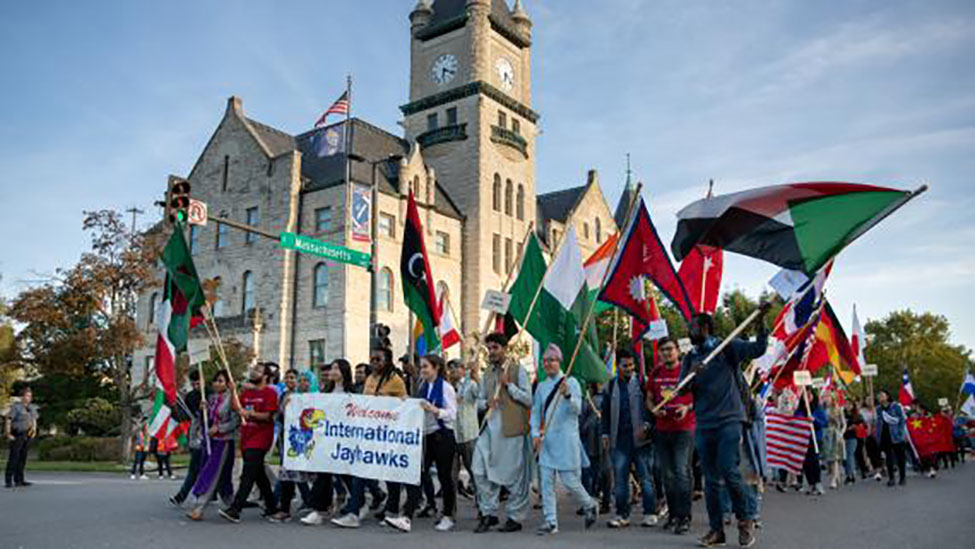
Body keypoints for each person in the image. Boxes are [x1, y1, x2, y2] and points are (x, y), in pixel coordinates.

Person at [680, 308, 767, 548]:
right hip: (704, 423)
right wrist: (690, 375)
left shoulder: (727, 346)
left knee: (729, 470)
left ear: (705, 328)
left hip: (730, 419)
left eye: (693, 326)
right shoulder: (690, 357)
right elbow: (680, 390)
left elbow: (758, 349)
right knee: (710, 480)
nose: (689, 330)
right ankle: (716, 531)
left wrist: (761, 326)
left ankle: (745, 520)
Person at [328, 347, 404, 528]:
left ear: (387, 361)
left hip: (387, 434)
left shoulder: (395, 380)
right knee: (360, 471)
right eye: (372, 359)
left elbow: (404, 404)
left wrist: (386, 400)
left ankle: (392, 510)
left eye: (378, 359)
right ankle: (354, 512)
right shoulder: (370, 378)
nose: (374, 363)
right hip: (369, 432)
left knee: (390, 474)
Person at [385, 354, 459, 533]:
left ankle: (448, 515)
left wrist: (434, 410)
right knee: (415, 475)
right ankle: (406, 516)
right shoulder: (423, 386)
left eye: (426, 366)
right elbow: (417, 407)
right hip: (426, 437)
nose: (422, 370)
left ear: (436, 368)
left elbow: (452, 413)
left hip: (443, 436)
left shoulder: (445, 388)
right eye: (421, 366)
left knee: (444, 477)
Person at [530, 344, 598, 535]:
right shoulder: (542, 386)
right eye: (545, 361)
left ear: (559, 362)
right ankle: (551, 522)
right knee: (546, 483)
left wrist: (568, 395)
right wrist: (535, 433)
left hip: (567, 440)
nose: (547, 364)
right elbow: (535, 412)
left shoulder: (571, 382)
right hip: (547, 440)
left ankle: (590, 504)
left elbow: (578, 411)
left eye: (551, 360)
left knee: (570, 481)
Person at [473, 332, 533, 534]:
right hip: (489, 429)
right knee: (479, 470)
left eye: (495, 348)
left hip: (511, 431)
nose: (491, 352)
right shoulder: (487, 373)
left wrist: (510, 386)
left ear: (505, 349)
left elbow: (529, 400)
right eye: (489, 348)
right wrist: (485, 403)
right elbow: (479, 402)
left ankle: (515, 517)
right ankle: (488, 513)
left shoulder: (518, 370)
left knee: (513, 475)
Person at [600, 347, 656, 529]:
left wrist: (647, 426)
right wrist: (605, 433)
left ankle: (649, 513)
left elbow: (650, 407)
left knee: (645, 478)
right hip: (619, 440)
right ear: (618, 366)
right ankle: (622, 514)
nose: (628, 368)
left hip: (641, 440)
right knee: (621, 480)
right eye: (625, 365)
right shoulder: (610, 386)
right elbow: (606, 413)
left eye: (631, 365)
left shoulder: (642, 382)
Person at [646, 337, 695, 535]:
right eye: (663, 350)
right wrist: (653, 411)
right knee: (667, 475)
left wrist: (687, 407)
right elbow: (649, 399)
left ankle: (685, 517)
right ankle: (673, 515)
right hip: (662, 429)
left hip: (685, 428)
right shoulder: (656, 372)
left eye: (670, 349)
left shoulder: (687, 371)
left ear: (677, 351)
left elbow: (700, 396)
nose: (667, 353)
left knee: (682, 472)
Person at [220, 363, 280, 523]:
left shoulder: (270, 393)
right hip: (247, 437)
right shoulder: (247, 392)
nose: (254, 372)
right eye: (253, 369)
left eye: (258, 370)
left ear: (266, 376)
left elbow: (268, 416)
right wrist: (233, 391)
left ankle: (235, 509)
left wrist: (250, 414)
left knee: (247, 474)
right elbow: (235, 407)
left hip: (261, 438)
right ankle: (272, 507)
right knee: (259, 474)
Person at [300, 361, 356, 526]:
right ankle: (319, 510)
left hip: (344, 440)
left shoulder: (352, 392)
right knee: (323, 473)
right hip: (326, 440)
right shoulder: (326, 392)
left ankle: (358, 502)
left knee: (346, 474)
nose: (332, 371)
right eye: (332, 368)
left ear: (344, 371)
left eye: (336, 368)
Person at [186, 370, 240, 521]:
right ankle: (234, 504)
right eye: (215, 381)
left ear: (228, 383)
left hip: (224, 441)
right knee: (216, 474)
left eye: (221, 381)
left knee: (212, 473)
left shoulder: (232, 399)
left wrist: (220, 429)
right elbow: (207, 420)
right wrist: (204, 409)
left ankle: (199, 508)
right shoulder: (211, 398)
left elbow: (236, 421)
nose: (217, 384)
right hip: (211, 441)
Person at [270, 369, 312, 522]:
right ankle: (282, 507)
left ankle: (312, 503)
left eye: (293, 378)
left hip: (303, 439)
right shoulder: (284, 395)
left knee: (302, 474)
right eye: (287, 377)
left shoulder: (307, 397)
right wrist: (284, 407)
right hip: (286, 438)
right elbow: (279, 415)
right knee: (287, 472)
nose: (291, 380)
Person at [171, 370, 207, 505]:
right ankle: (182, 495)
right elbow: (184, 415)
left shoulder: (211, 393)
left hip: (212, 435)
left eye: (198, 383)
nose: (196, 387)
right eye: (193, 384)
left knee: (210, 469)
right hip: (196, 435)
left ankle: (211, 493)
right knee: (194, 468)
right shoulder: (190, 396)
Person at [449, 358, 479, 500]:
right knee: (451, 474)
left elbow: (481, 395)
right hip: (452, 434)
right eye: (451, 368)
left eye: (456, 367)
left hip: (468, 434)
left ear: (462, 369)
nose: (453, 371)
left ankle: (482, 506)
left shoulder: (470, 385)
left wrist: (476, 375)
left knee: (473, 470)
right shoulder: (448, 388)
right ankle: (450, 510)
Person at [5, 386, 38, 488]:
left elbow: (34, 420)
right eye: (27, 395)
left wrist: (34, 430)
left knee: (23, 458)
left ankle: (19, 479)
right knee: (14, 457)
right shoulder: (16, 407)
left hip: (27, 434)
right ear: (22, 397)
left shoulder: (31, 407)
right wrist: (8, 433)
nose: (29, 397)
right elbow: (9, 420)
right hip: (17, 434)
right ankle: (9, 480)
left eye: (30, 396)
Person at [875, 389, 908, 486]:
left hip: (895, 435)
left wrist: (900, 433)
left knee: (900, 457)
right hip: (884, 435)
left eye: (882, 395)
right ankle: (891, 478)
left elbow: (902, 420)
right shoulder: (878, 409)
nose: (880, 397)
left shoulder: (896, 407)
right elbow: (878, 423)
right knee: (888, 458)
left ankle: (902, 477)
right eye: (879, 396)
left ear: (887, 396)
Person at [823, 392, 846, 489]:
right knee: (829, 459)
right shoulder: (823, 409)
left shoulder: (838, 409)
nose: (826, 399)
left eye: (828, 397)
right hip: (826, 434)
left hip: (835, 434)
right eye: (825, 397)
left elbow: (843, 423)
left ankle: (833, 480)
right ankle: (836, 475)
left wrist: (841, 433)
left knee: (834, 457)